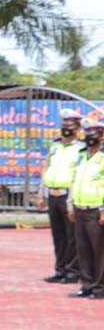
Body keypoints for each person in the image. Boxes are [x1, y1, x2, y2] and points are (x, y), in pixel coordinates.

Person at [42, 108, 85, 283]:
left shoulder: (82, 148)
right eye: (64, 124)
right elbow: (47, 168)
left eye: (71, 125)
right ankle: (60, 269)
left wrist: (73, 198)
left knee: (71, 235)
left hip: (68, 194)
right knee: (58, 235)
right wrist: (41, 193)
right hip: (53, 193)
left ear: (78, 128)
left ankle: (72, 271)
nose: (67, 127)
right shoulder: (55, 145)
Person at [67, 118, 104, 299]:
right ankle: (87, 284)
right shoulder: (82, 156)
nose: (91, 137)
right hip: (79, 207)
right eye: (88, 133)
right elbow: (74, 181)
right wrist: (70, 204)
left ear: (102, 136)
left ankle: (99, 287)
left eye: (95, 134)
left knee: (99, 251)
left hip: (96, 210)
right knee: (83, 250)